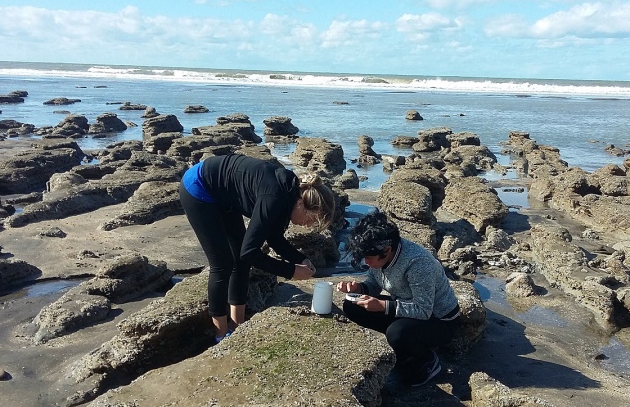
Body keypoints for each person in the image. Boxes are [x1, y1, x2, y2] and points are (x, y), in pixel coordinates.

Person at [179, 154, 335, 343]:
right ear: (301, 204)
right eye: (311, 219)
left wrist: (300, 259)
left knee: (239, 261)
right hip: (200, 187)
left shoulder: (289, 197)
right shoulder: (274, 198)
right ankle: (220, 335)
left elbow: (274, 237)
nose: (308, 226)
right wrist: (291, 271)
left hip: (226, 195)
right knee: (223, 264)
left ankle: (237, 325)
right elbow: (250, 252)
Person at [338, 209, 460, 387]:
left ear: (387, 250)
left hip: (440, 319)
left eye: (369, 258)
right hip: (407, 308)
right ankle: (404, 349)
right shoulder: (380, 248)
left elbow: (423, 310)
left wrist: (382, 306)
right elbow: (374, 282)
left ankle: (426, 359)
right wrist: (359, 288)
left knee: (397, 333)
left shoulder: (418, 263)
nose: (367, 262)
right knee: (352, 305)